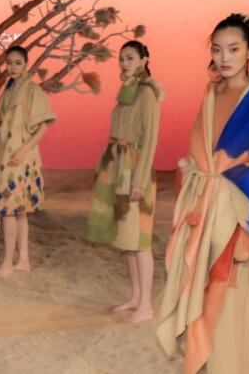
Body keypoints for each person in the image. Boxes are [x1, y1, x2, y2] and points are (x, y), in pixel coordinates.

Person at [156, 8, 249, 373]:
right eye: (217, 49)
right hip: (204, 216)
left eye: (234, 49)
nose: (224, 58)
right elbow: (199, 156)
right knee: (205, 307)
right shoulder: (211, 93)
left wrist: (246, 228)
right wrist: (192, 184)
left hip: (239, 220)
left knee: (229, 314)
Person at [86, 40, 163, 323]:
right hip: (118, 167)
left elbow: (150, 140)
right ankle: (135, 297)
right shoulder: (126, 91)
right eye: (121, 59)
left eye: (130, 58)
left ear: (143, 59)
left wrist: (139, 181)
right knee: (127, 238)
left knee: (140, 241)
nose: (124, 63)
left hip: (135, 171)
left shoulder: (147, 92)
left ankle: (146, 306)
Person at [0, 45, 56, 278]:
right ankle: (23, 260)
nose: (12, 67)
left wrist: (24, 149)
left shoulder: (32, 90)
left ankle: (8, 262)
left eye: (18, 62)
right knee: (18, 211)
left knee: (9, 209)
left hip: (19, 158)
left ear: (26, 64)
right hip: (8, 155)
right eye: (9, 62)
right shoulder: (9, 90)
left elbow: (44, 125)